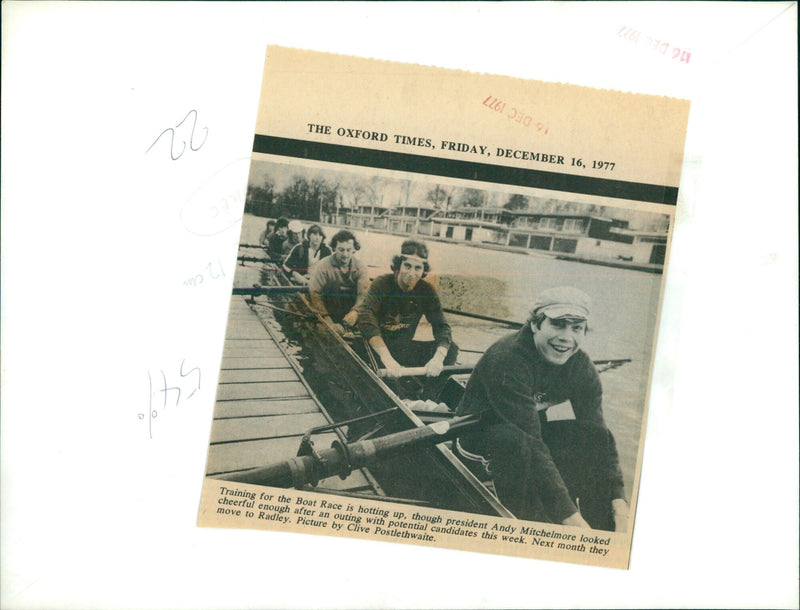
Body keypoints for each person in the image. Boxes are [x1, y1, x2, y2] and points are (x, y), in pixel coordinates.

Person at [455, 286, 629, 532]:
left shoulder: (582, 367)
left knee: (590, 435)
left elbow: (600, 436)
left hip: (528, 435)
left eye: (576, 328)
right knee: (515, 441)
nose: (567, 338)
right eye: (558, 325)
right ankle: (536, 527)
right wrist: (572, 518)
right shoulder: (507, 358)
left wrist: (618, 502)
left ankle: (604, 529)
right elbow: (529, 440)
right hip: (477, 442)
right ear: (536, 325)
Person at [357, 239, 458, 379]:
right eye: (407, 266)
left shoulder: (427, 291)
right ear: (398, 266)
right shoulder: (381, 284)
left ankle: (428, 397)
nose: (411, 273)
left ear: (423, 271)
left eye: (417, 268)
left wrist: (438, 359)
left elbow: (442, 327)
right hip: (377, 349)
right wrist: (387, 359)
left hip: (403, 348)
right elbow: (365, 317)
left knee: (451, 349)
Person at [308, 230, 369, 335]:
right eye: (341, 250)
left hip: (349, 307)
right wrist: (327, 320)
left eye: (348, 250)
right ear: (334, 248)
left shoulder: (361, 267)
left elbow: (363, 295)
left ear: (354, 249)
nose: (345, 254)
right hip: (328, 306)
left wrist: (355, 312)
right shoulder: (322, 266)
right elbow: (315, 294)